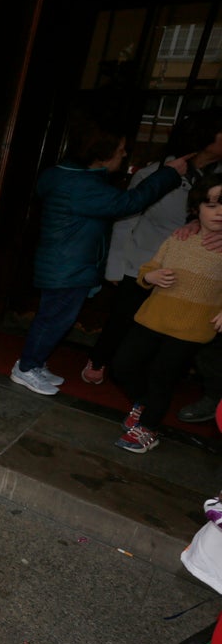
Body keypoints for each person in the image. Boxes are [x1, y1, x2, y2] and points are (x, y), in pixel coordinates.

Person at [8, 107, 190, 396]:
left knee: (54, 318)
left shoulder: (64, 175)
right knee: (53, 320)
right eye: (120, 150)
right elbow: (129, 203)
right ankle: (26, 368)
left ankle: (34, 362)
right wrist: (167, 174)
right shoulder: (83, 186)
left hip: (65, 264)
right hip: (67, 267)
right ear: (102, 155)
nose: (124, 155)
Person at [82, 107, 222, 385]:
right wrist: (116, 267)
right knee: (125, 318)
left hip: (194, 267)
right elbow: (124, 221)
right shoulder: (154, 173)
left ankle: (152, 382)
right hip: (143, 261)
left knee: (171, 329)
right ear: (207, 137)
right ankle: (100, 359)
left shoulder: (219, 180)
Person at [109, 174, 222, 453]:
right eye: (211, 205)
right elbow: (148, 270)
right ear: (196, 208)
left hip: (192, 326)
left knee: (162, 376)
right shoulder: (179, 236)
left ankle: (148, 428)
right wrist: (152, 277)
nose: (219, 212)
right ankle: (144, 404)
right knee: (121, 365)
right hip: (154, 316)